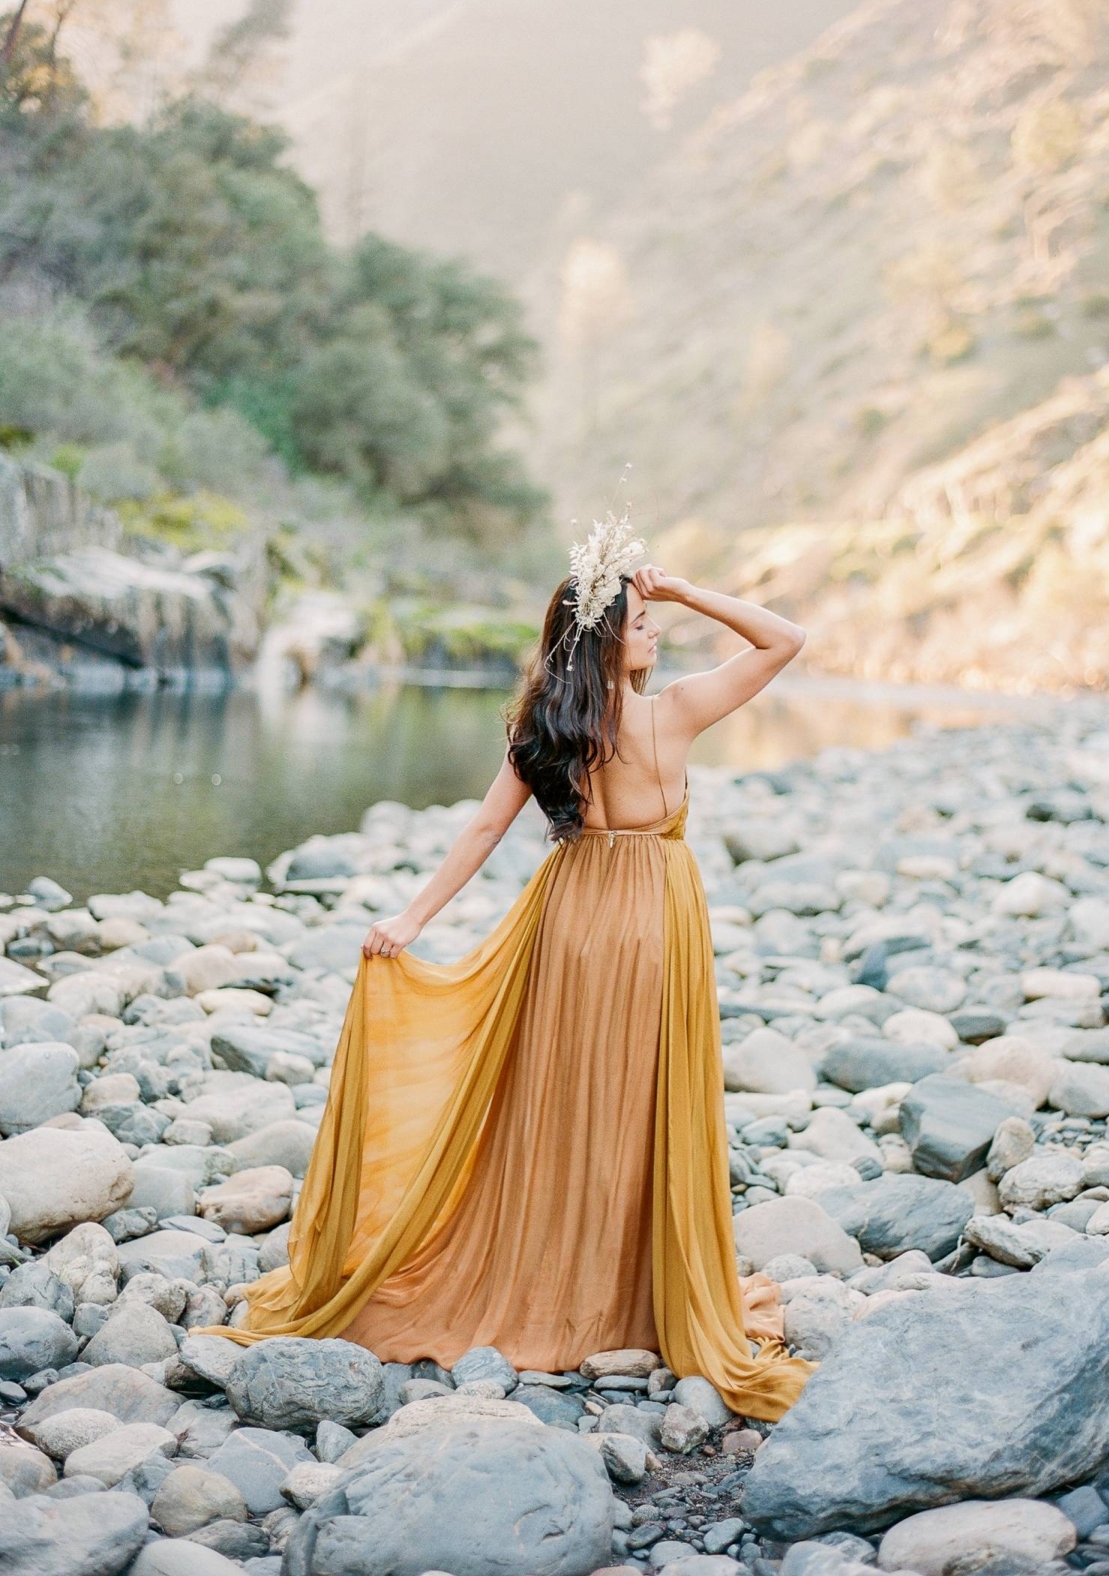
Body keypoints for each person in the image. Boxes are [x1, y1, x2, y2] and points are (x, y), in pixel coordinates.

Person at [193, 513, 815, 1421]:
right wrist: (686, 588)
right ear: (610, 641)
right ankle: (631, 1287)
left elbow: (486, 829)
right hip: (654, 923)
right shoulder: (674, 713)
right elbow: (785, 638)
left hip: (570, 919)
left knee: (559, 1098)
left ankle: (554, 1271)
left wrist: (409, 919)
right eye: (643, 624)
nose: (658, 634)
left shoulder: (546, 725)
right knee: (644, 1099)